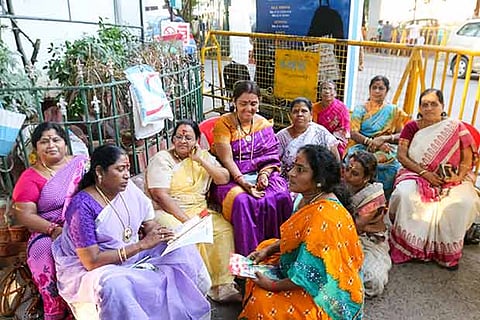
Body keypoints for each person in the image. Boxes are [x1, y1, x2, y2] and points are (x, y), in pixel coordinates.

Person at [52, 145, 211, 319]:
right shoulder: (82, 206)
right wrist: (142, 245)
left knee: (183, 250)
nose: (127, 174)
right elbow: (91, 261)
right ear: (99, 172)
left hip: (133, 253)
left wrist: (161, 234)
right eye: (120, 169)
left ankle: (186, 312)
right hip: (97, 268)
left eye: (128, 168)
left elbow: (148, 223)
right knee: (115, 286)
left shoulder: (128, 189)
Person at [238, 145, 364, 319]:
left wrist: (271, 285)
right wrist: (267, 251)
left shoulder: (325, 217)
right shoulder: (309, 198)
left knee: (262, 303)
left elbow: (310, 275)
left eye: (300, 170)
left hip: (326, 292)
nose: (290, 173)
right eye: (293, 167)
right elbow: (299, 241)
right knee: (265, 246)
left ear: (319, 179)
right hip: (308, 268)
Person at [145, 119, 241, 303]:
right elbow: (160, 195)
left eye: (188, 137)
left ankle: (223, 285)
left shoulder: (202, 156)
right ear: (172, 140)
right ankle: (195, 287)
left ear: (197, 140)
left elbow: (223, 178)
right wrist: (187, 220)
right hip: (170, 211)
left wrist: (199, 161)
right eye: (178, 137)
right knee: (187, 234)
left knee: (223, 229)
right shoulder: (162, 159)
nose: (182, 141)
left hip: (199, 209)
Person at [389, 88, 480, 270]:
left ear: (442, 106)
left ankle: (445, 254)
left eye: (433, 104)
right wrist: (424, 174)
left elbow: (466, 157)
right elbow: (402, 156)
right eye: (425, 104)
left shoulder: (454, 127)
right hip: (416, 172)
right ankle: (410, 249)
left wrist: (458, 177)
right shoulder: (412, 127)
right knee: (405, 194)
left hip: (451, 178)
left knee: (463, 202)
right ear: (420, 108)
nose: (429, 108)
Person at [12, 122, 89, 320]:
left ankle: (85, 309)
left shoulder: (81, 164)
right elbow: (24, 214)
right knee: (43, 251)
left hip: (84, 224)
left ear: (65, 143)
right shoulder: (30, 177)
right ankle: (54, 310)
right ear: (36, 148)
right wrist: (53, 229)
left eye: (56, 140)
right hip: (47, 231)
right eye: (44, 141)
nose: (51, 145)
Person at [211, 80, 293, 256]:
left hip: (262, 172)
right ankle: (249, 255)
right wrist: (243, 182)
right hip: (231, 175)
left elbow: (271, 156)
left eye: (253, 103)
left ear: (259, 102)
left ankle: (280, 250)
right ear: (234, 101)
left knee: (281, 194)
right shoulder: (223, 124)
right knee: (243, 201)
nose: (249, 108)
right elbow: (226, 160)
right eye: (243, 103)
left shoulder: (263, 123)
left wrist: (264, 174)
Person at [346, 75, 409, 198]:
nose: (377, 91)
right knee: (359, 163)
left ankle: (383, 198)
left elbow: (401, 134)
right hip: (362, 146)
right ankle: (355, 197)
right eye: (374, 87)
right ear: (369, 89)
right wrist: (372, 142)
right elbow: (353, 133)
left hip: (387, 146)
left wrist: (385, 139)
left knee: (392, 164)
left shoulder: (393, 111)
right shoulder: (361, 109)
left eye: (381, 88)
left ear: (387, 91)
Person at [344, 150, 391, 297]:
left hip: (367, 239)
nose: (347, 175)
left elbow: (356, 227)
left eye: (355, 174)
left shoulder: (373, 196)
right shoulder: (342, 181)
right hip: (342, 231)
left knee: (372, 280)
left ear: (367, 178)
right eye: (347, 169)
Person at [277, 97, 339, 178]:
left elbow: (334, 156)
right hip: (289, 180)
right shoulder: (282, 136)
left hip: (316, 180)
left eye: (304, 111)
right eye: (295, 111)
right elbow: (273, 160)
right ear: (290, 116)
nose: (299, 114)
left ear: (311, 115)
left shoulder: (320, 132)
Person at [312, 80, 351, 156]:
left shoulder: (341, 108)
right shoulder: (314, 108)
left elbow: (344, 129)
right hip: (318, 139)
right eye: (324, 88)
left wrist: (330, 140)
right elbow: (312, 127)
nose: (327, 91)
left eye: (330, 88)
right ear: (320, 93)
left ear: (335, 93)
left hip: (336, 140)